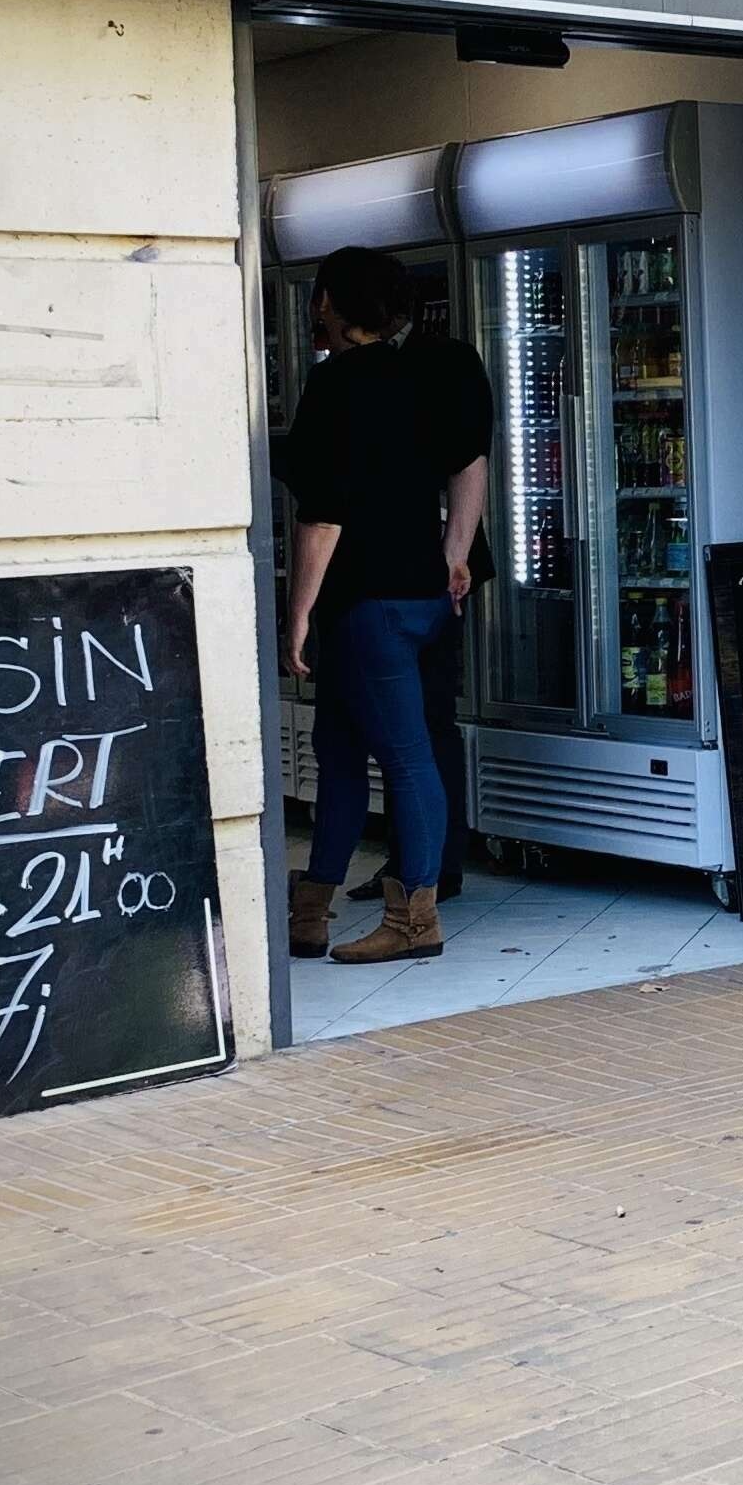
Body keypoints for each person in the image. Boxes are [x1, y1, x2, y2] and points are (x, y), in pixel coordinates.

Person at [280, 246, 491, 965]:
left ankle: (414, 921)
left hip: (367, 600)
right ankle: (310, 913)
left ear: (329, 304)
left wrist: (297, 613)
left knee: (394, 760)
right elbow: (471, 462)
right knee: (341, 749)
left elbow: (324, 516)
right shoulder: (428, 372)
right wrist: (456, 553)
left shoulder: (334, 386)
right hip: (424, 591)